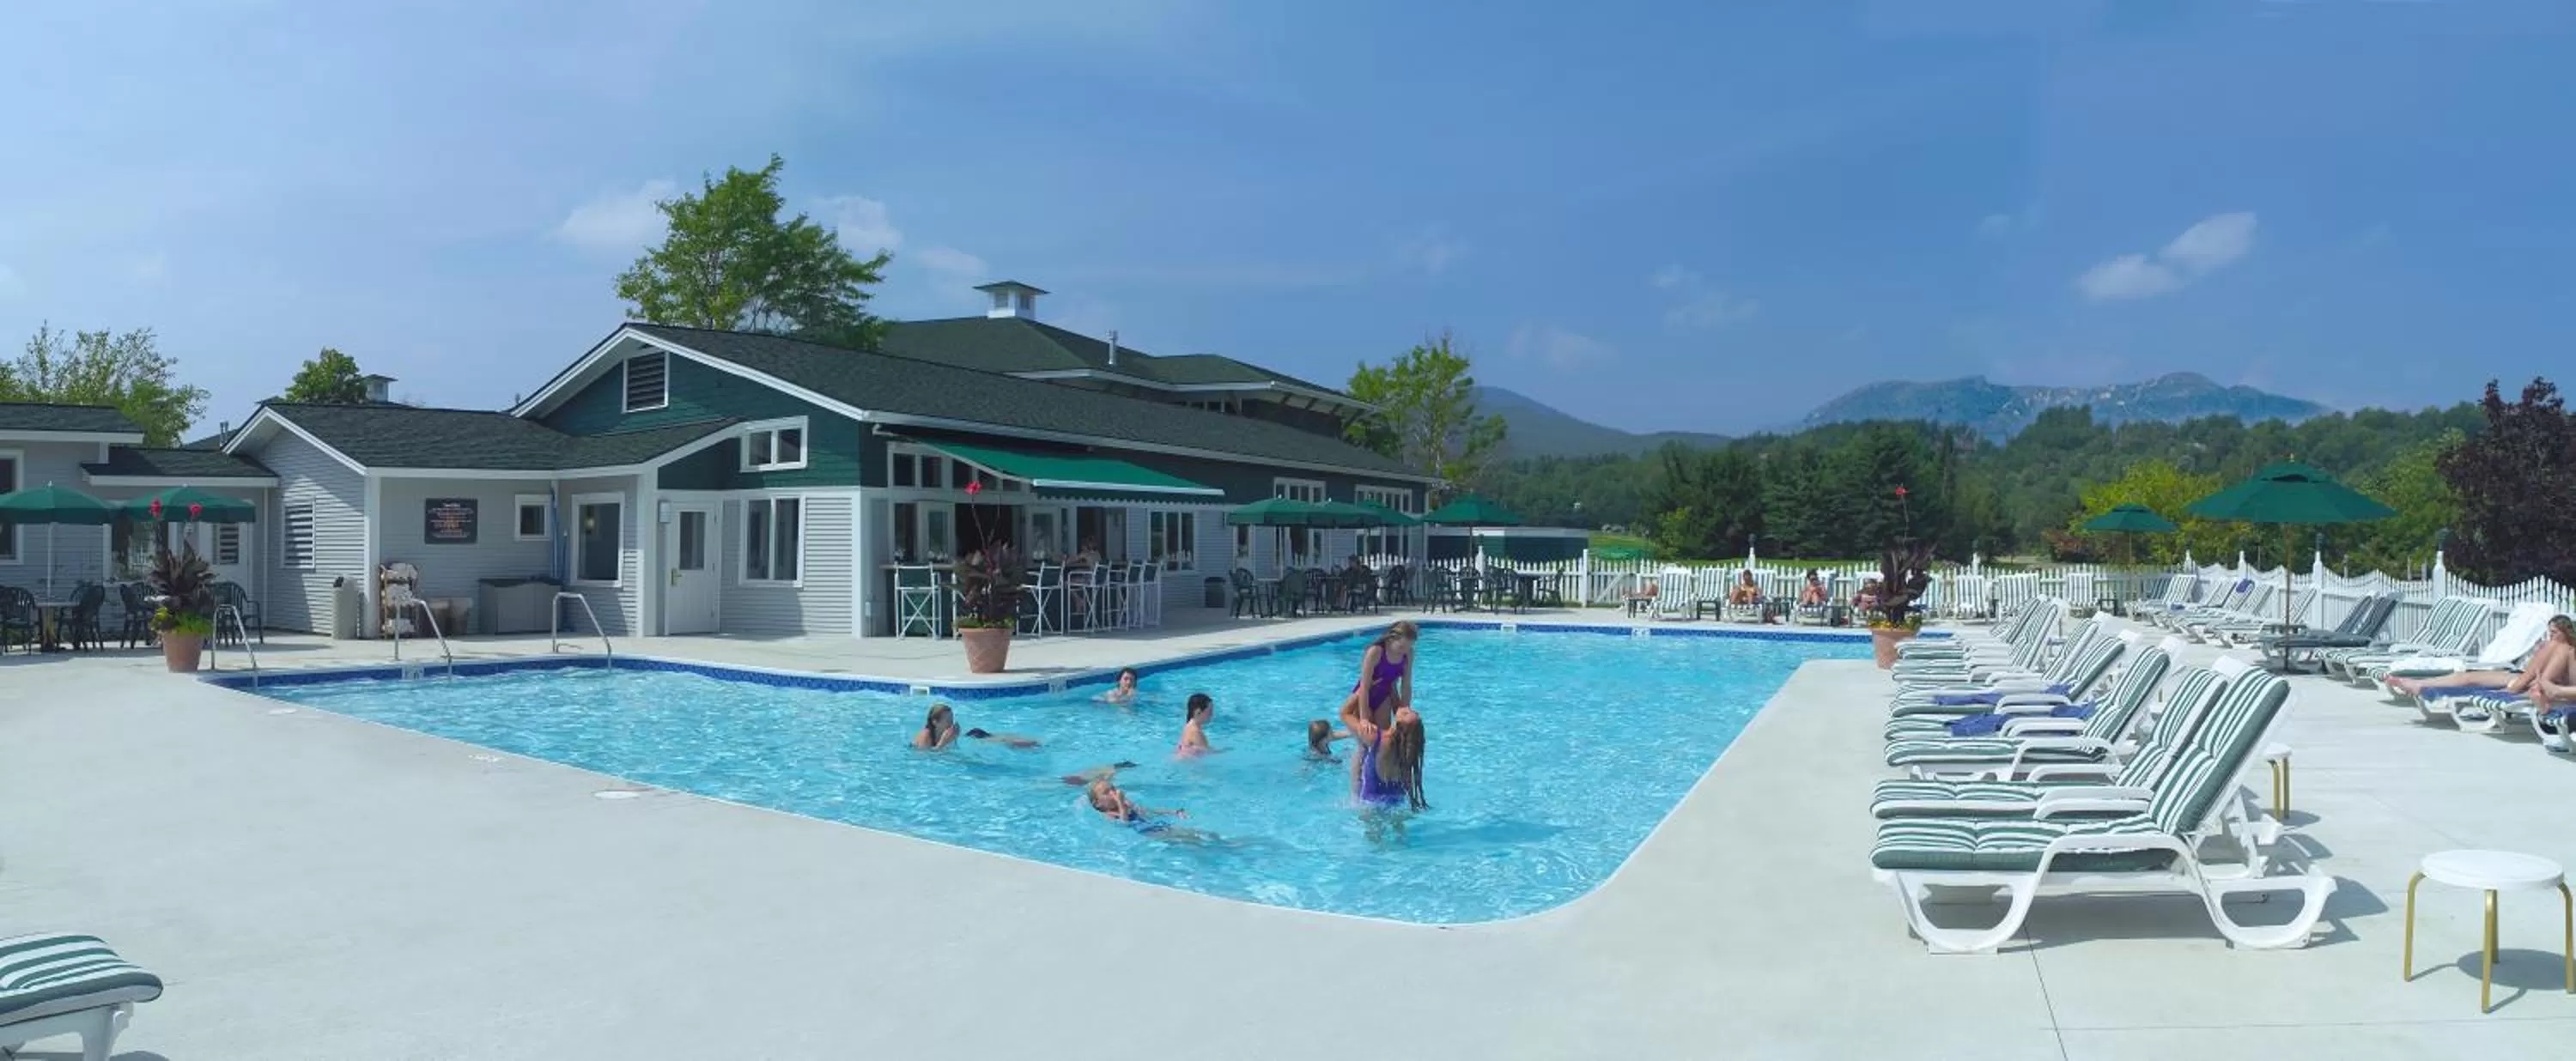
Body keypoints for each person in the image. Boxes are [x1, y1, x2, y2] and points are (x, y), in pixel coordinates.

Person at [2387, 615, 2576, 696]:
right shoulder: (2555, 648)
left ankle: (2419, 684)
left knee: (2470, 680)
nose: (2551, 637)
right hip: (2522, 678)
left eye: (2554, 632)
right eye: (2549, 632)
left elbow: (2554, 680)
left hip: (2524, 683)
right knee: (2466, 677)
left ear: (2567, 632)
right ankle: (2419, 684)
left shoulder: (2564, 649)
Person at [1337, 621, 1418, 796]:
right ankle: (1356, 791)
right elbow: (1365, 687)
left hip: (1384, 697)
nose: (1404, 651)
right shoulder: (1376, 651)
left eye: (1408, 647)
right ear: (1391, 638)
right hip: (1364, 697)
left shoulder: (1408, 653)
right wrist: (1364, 718)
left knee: (1381, 745)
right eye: (1402, 647)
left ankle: (1381, 783)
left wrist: (1404, 710)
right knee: (1363, 745)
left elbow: (1406, 686)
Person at [1357, 706, 1428, 811]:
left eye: (1406, 713)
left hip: (1370, 805)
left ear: (1399, 726)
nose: (1407, 708)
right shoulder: (1407, 753)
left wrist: (1363, 717)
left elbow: (1345, 714)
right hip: (1398, 804)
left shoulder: (1377, 738)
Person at [910, 703, 1040, 750]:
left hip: (970, 735)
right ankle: (1027, 744)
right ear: (935, 722)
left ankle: (1029, 742)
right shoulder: (925, 736)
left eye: (952, 719)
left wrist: (947, 740)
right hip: (967, 737)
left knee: (996, 739)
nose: (951, 723)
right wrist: (945, 741)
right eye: (948, 721)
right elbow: (926, 758)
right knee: (1000, 741)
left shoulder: (944, 732)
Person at [1176, 692, 1217, 756]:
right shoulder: (1196, 732)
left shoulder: (1188, 727)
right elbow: (1207, 753)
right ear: (1198, 712)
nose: (1212, 715)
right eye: (1210, 711)